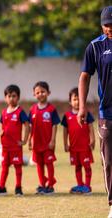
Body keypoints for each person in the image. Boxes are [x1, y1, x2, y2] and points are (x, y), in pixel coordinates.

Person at [77, 5, 112, 216]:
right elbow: (84, 76)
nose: (111, 29)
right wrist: (82, 106)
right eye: (107, 25)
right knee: (108, 161)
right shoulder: (95, 47)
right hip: (107, 113)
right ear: (101, 25)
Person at [0, 84, 29, 196]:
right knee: (4, 166)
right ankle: (2, 187)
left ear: (18, 97)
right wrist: (1, 134)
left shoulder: (20, 112)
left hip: (15, 146)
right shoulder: (4, 112)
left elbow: (27, 125)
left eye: (14, 96)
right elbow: (2, 126)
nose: (11, 98)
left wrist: (24, 140)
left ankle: (18, 188)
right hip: (5, 145)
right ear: (5, 98)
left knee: (17, 167)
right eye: (9, 96)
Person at [28, 81, 60, 195]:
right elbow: (30, 126)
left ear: (48, 93)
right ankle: (42, 185)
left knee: (49, 163)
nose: (40, 94)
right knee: (39, 164)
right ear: (34, 94)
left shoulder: (51, 109)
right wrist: (29, 140)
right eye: (37, 92)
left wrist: (52, 140)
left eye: (43, 91)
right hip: (36, 143)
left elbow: (54, 125)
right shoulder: (32, 109)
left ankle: (50, 185)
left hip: (47, 143)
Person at [62, 87, 95, 194]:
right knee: (77, 166)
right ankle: (80, 185)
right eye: (75, 99)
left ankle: (87, 186)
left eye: (80, 99)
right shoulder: (67, 116)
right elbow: (65, 131)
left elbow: (91, 127)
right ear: (70, 102)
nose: (77, 102)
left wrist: (93, 139)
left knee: (87, 166)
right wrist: (65, 144)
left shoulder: (86, 113)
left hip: (85, 146)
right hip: (74, 147)